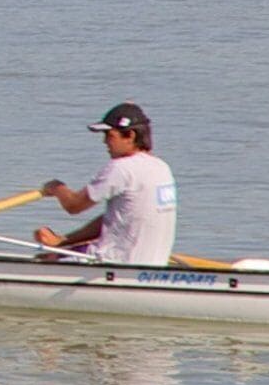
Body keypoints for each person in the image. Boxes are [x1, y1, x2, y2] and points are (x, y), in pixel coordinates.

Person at [36, 103, 180, 265]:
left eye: (109, 135)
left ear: (130, 135)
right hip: (154, 263)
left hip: (115, 262)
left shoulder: (121, 168)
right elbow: (119, 218)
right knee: (57, 252)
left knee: (45, 259)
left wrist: (57, 188)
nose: (104, 141)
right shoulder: (161, 168)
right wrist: (62, 241)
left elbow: (74, 205)